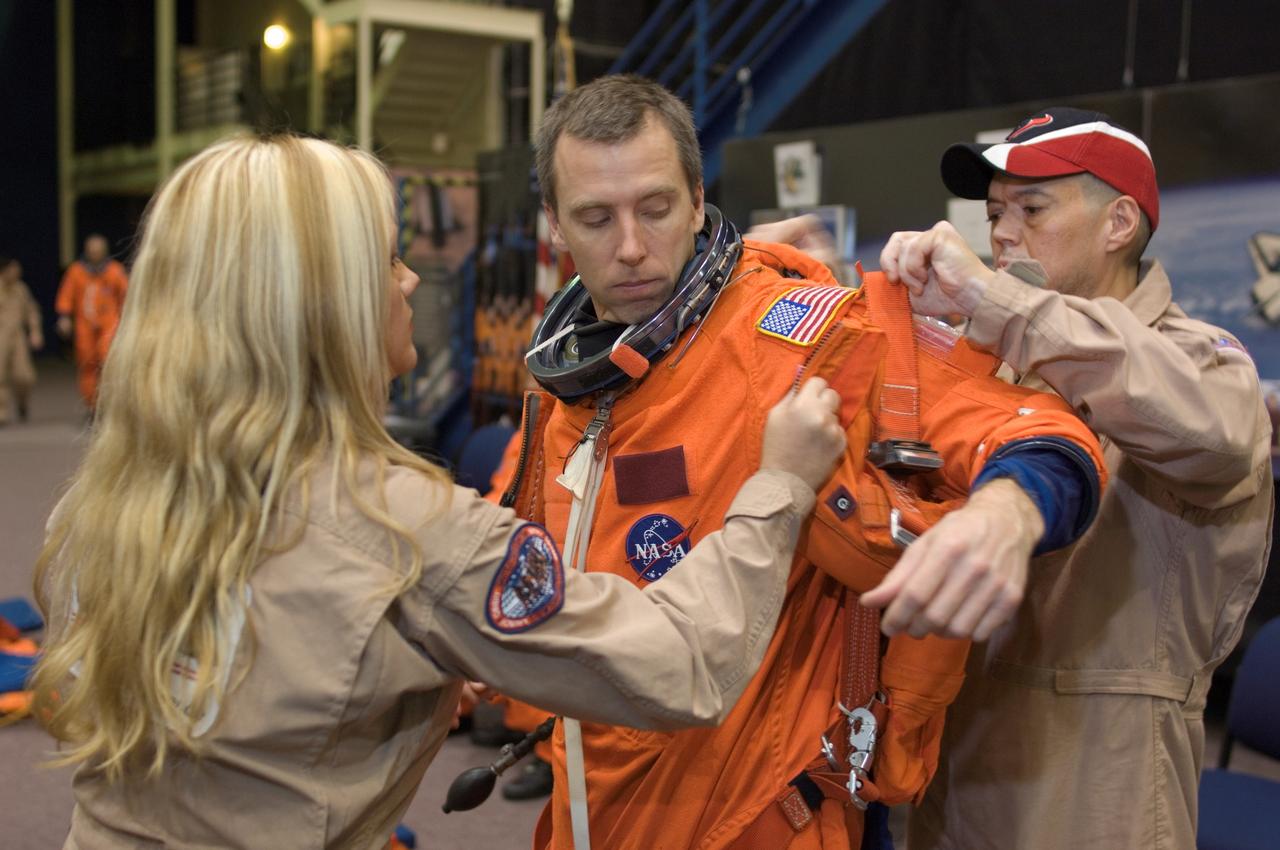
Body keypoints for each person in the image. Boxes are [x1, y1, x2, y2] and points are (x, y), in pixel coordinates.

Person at [29, 134, 853, 849]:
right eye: (390, 257)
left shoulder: (103, 504)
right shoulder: (404, 532)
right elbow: (681, 664)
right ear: (325, 306)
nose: (411, 282)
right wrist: (779, 485)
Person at [511, 75, 1106, 850]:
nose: (630, 247)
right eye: (596, 217)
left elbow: (1036, 431)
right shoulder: (568, 384)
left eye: (656, 209)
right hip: (591, 800)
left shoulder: (795, 338)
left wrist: (1007, 514)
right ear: (554, 224)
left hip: (748, 815)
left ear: (698, 200)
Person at [876, 107, 1274, 850]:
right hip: (953, 757)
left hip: (1102, 774)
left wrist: (995, 305)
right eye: (993, 213)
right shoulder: (1001, 358)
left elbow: (1208, 433)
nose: (1000, 233)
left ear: (1119, 223)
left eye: (1031, 208)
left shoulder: (1204, 363)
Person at [54, 233, 128, 412]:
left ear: (104, 252)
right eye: (91, 251)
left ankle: (110, 403)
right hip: (84, 324)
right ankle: (92, 405)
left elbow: (126, 295)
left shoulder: (115, 271)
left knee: (108, 361)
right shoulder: (76, 272)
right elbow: (66, 296)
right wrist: (64, 317)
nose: (94, 255)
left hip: (109, 324)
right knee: (87, 363)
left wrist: (127, 319)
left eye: (98, 251)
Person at [0, 257, 42, 425]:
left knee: (24, 375)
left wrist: (35, 331)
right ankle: (1, 412)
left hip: (17, 336)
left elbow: (31, 311)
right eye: (13, 269)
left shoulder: (20, 289)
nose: (16, 272)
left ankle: (22, 402)